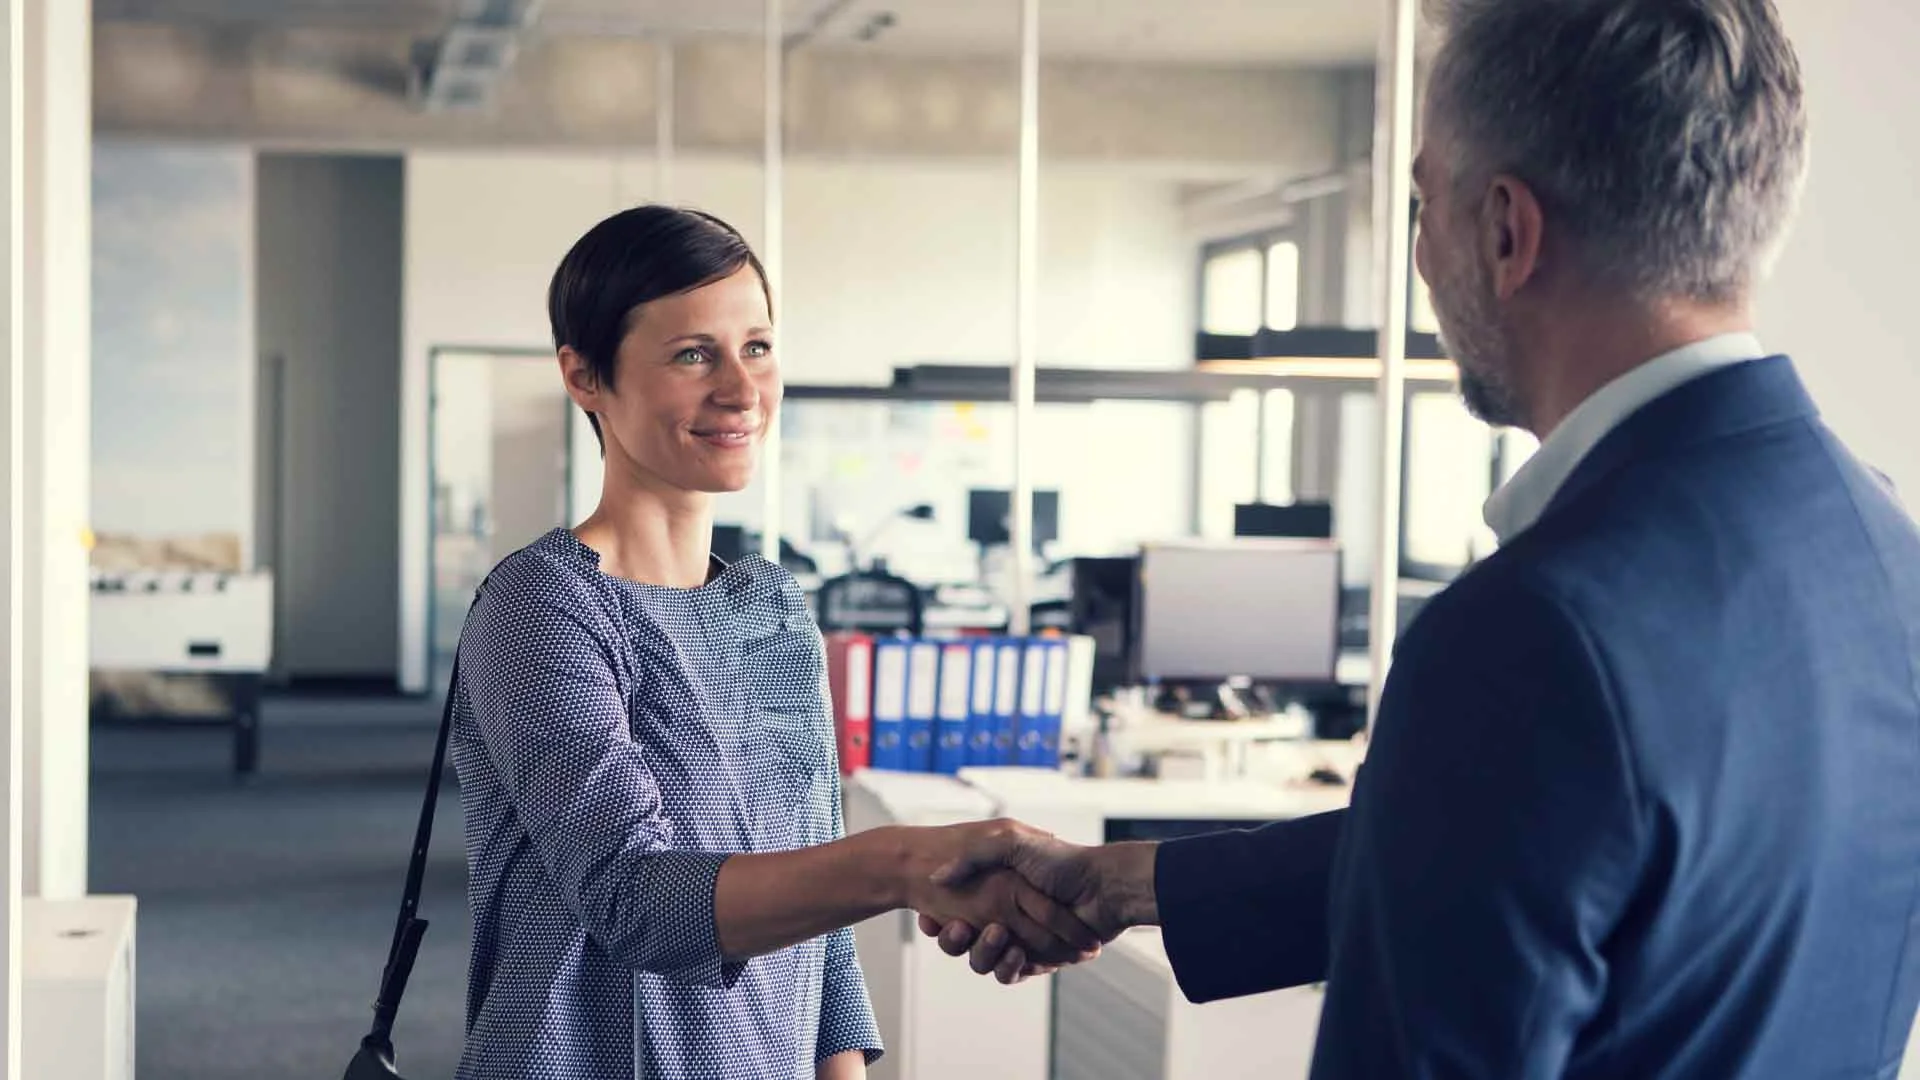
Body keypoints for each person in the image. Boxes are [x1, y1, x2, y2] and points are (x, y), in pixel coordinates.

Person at [926, 0, 1920, 1076]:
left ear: (1504, 229)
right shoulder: (1882, 552)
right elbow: (1573, 847)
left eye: (1421, 202)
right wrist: (1123, 882)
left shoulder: (1532, 632)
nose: (1420, 254)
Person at [448, 205, 1097, 1080]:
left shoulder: (774, 608)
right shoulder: (542, 608)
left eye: (756, 347)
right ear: (584, 376)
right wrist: (905, 863)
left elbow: (819, 923)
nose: (742, 391)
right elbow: (635, 902)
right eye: (692, 354)